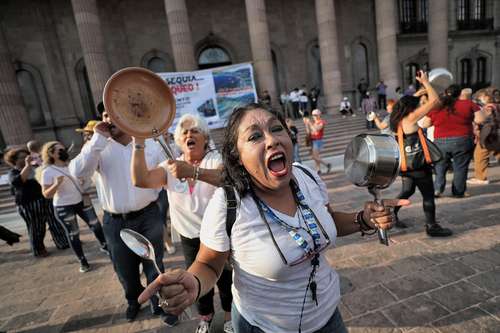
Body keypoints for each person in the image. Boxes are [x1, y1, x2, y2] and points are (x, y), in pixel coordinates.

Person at [137, 103, 406, 333]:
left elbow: (327, 220)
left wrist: (363, 219)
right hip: (263, 326)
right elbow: (209, 263)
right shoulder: (228, 203)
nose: (272, 140)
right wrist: (193, 283)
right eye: (254, 137)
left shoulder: (306, 176)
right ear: (238, 158)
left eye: (276, 129)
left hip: (328, 318)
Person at [70, 107, 178, 325]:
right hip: (115, 221)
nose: (109, 119)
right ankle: (133, 301)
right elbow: (78, 172)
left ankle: (160, 303)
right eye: (105, 116)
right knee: (125, 269)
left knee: (154, 264)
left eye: (114, 114)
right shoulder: (97, 147)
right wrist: (97, 140)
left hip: (148, 215)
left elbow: (169, 168)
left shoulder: (148, 143)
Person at [131, 114, 233, 333]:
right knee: (194, 279)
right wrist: (138, 141)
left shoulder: (215, 158)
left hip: (219, 235)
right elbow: (140, 179)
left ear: (205, 138)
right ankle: (205, 317)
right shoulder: (170, 166)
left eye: (195, 131)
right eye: (184, 132)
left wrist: (193, 172)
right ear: (178, 141)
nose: (189, 135)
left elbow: (228, 178)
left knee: (226, 279)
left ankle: (229, 316)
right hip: (188, 236)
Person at [390, 71, 452, 236]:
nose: (419, 106)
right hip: (418, 164)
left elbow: (408, 101)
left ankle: (391, 213)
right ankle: (432, 226)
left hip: (405, 164)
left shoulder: (397, 118)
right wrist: (425, 82)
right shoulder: (411, 117)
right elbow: (435, 101)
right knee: (428, 195)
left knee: (407, 191)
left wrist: (418, 92)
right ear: (411, 108)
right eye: (417, 105)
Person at [40, 141, 108, 272]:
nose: (63, 152)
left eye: (63, 149)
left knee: (96, 225)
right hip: (63, 206)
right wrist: (56, 184)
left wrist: (82, 182)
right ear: (51, 154)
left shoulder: (72, 165)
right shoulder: (48, 171)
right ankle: (82, 260)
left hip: (81, 201)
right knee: (73, 233)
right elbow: (46, 194)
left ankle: (105, 246)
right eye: (59, 151)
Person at [5, 147, 69, 257]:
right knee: (36, 227)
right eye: (23, 157)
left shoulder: (36, 168)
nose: (26, 158)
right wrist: (27, 166)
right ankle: (39, 249)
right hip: (29, 204)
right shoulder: (13, 172)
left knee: (55, 222)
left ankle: (63, 242)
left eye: (27, 156)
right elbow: (18, 182)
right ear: (14, 160)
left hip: (45, 200)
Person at [420, 84, 480, 198]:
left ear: (446, 92)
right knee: (460, 167)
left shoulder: (437, 106)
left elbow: (425, 124)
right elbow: (480, 119)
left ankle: (437, 189)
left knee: (440, 166)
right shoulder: (468, 104)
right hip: (463, 139)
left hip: (441, 140)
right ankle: (458, 191)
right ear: (459, 94)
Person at [467, 88, 500, 185]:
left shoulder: (488, 107)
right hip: (497, 134)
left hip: (489, 134)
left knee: (480, 155)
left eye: (482, 96)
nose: (480, 98)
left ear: (487, 97)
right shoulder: (498, 106)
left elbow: (481, 120)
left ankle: (480, 177)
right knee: (498, 153)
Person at [305, 109, 331, 174]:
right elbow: (309, 131)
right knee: (316, 156)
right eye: (313, 115)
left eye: (315, 115)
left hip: (318, 141)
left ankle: (327, 164)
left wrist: (310, 123)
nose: (314, 117)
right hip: (313, 141)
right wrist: (306, 124)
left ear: (319, 115)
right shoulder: (314, 123)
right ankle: (318, 170)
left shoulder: (321, 122)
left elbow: (317, 129)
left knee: (314, 156)